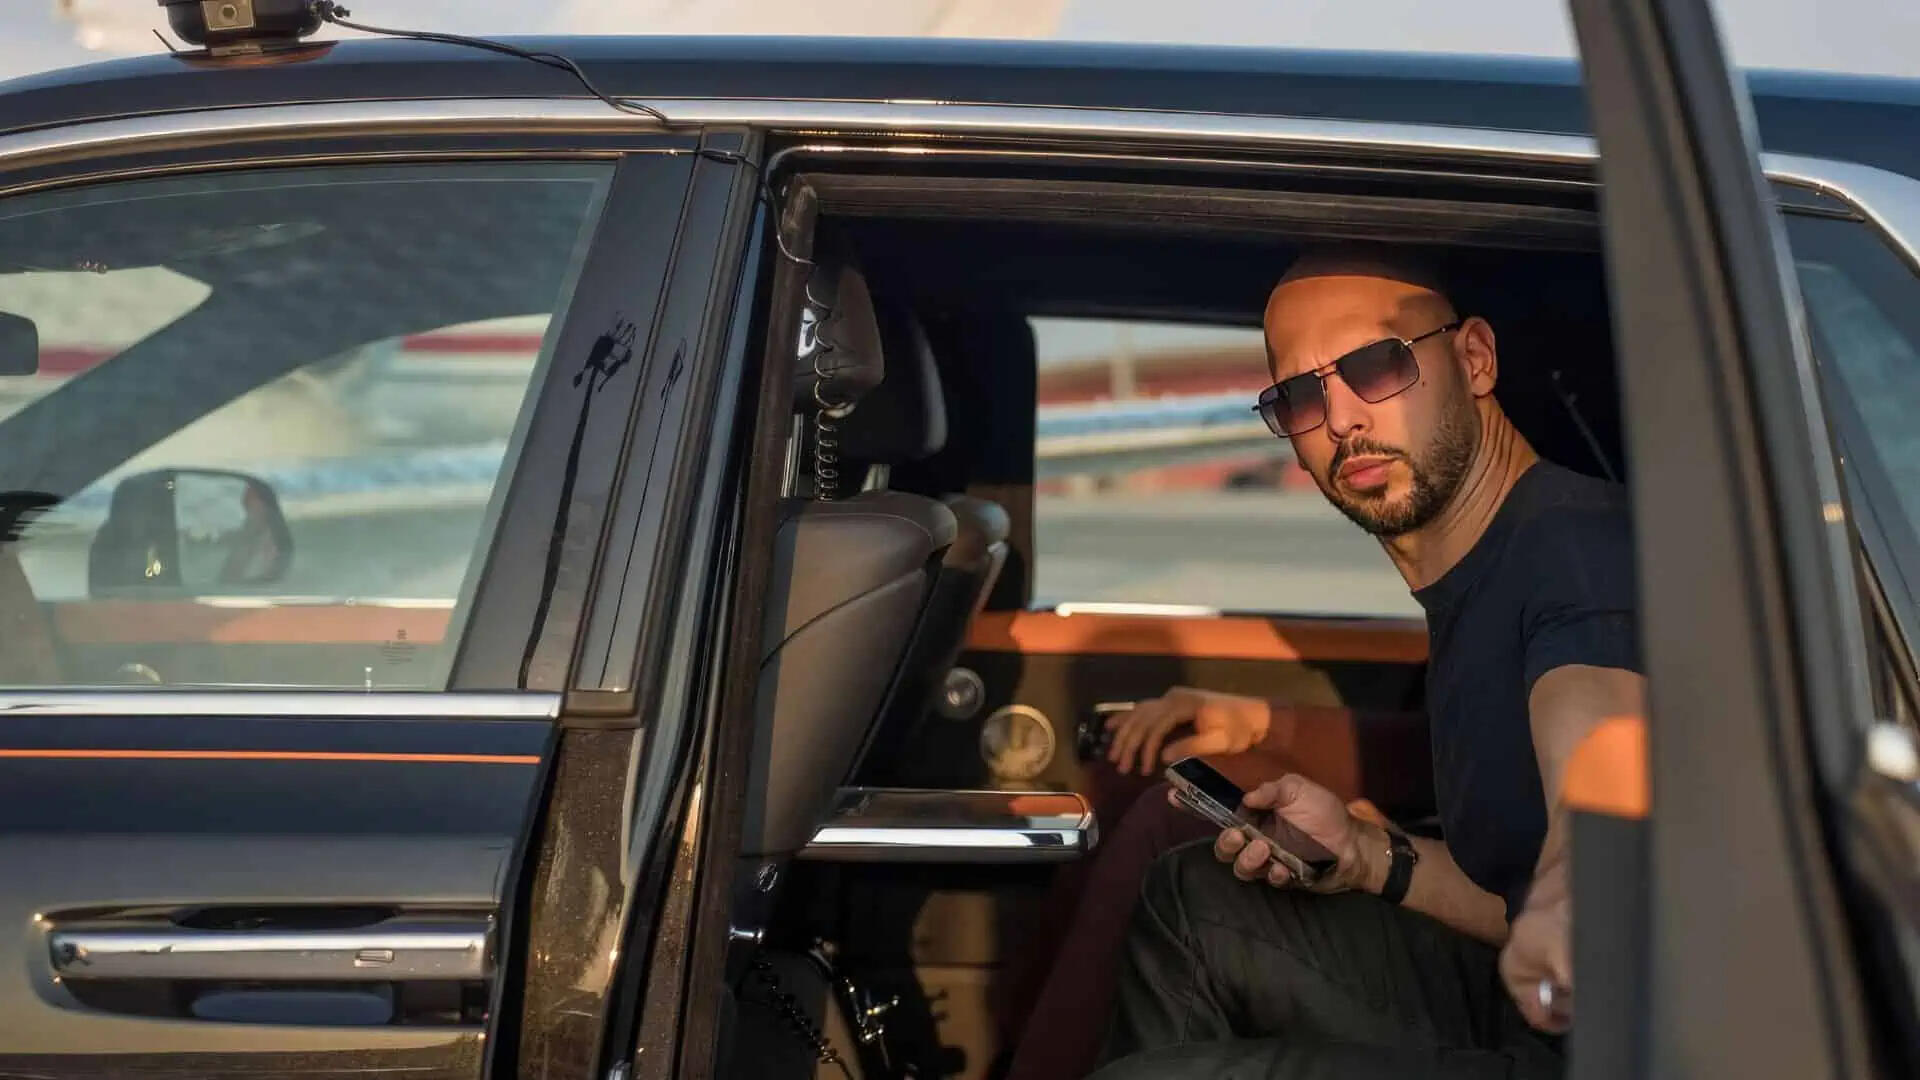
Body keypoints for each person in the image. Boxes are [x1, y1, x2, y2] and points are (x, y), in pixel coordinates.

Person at [1081, 247, 1646, 1079]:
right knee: (1191, 896)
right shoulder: (1479, 571)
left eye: (1376, 366)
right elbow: (1514, 899)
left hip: (1620, 1049)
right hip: (1542, 1001)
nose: (1341, 416)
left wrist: (1585, 881)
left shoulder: (1575, 551)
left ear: (1475, 359)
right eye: (1301, 396)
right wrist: (1364, 854)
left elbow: (1601, 741)